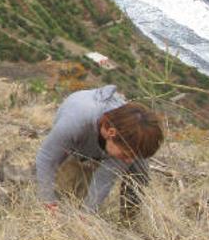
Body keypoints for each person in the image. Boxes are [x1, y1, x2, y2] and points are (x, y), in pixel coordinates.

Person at [35, 85, 163, 218]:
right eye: (126, 154)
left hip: (108, 141)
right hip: (80, 139)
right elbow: (46, 158)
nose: (128, 160)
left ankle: (128, 220)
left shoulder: (126, 138)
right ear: (111, 132)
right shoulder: (75, 122)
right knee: (63, 186)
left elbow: (105, 178)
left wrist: (86, 214)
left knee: (140, 169)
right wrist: (48, 201)